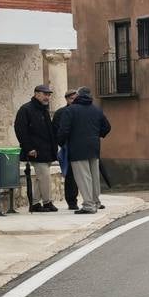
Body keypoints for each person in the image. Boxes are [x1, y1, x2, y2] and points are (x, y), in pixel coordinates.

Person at [55, 86, 110, 214]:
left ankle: (88, 205)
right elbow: (107, 127)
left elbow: (63, 130)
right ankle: (96, 201)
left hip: (77, 148)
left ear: (78, 96)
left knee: (83, 177)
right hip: (94, 147)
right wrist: (96, 135)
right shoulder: (96, 110)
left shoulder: (71, 110)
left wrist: (61, 143)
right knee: (94, 176)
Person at [14, 84, 59, 212]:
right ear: (36, 94)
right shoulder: (26, 109)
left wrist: (54, 147)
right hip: (35, 151)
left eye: (49, 95)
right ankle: (47, 202)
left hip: (47, 150)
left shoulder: (43, 109)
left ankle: (34, 203)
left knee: (40, 178)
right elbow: (20, 130)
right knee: (44, 176)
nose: (47, 97)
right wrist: (29, 148)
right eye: (45, 94)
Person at [54, 89, 80, 210]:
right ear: (66, 99)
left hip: (81, 147)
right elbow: (55, 130)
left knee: (86, 175)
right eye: (71, 99)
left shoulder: (81, 111)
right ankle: (72, 201)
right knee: (70, 176)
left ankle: (92, 200)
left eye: (75, 98)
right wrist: (62, 143)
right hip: (67, 148)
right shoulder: (60, 112)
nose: (74, 101)